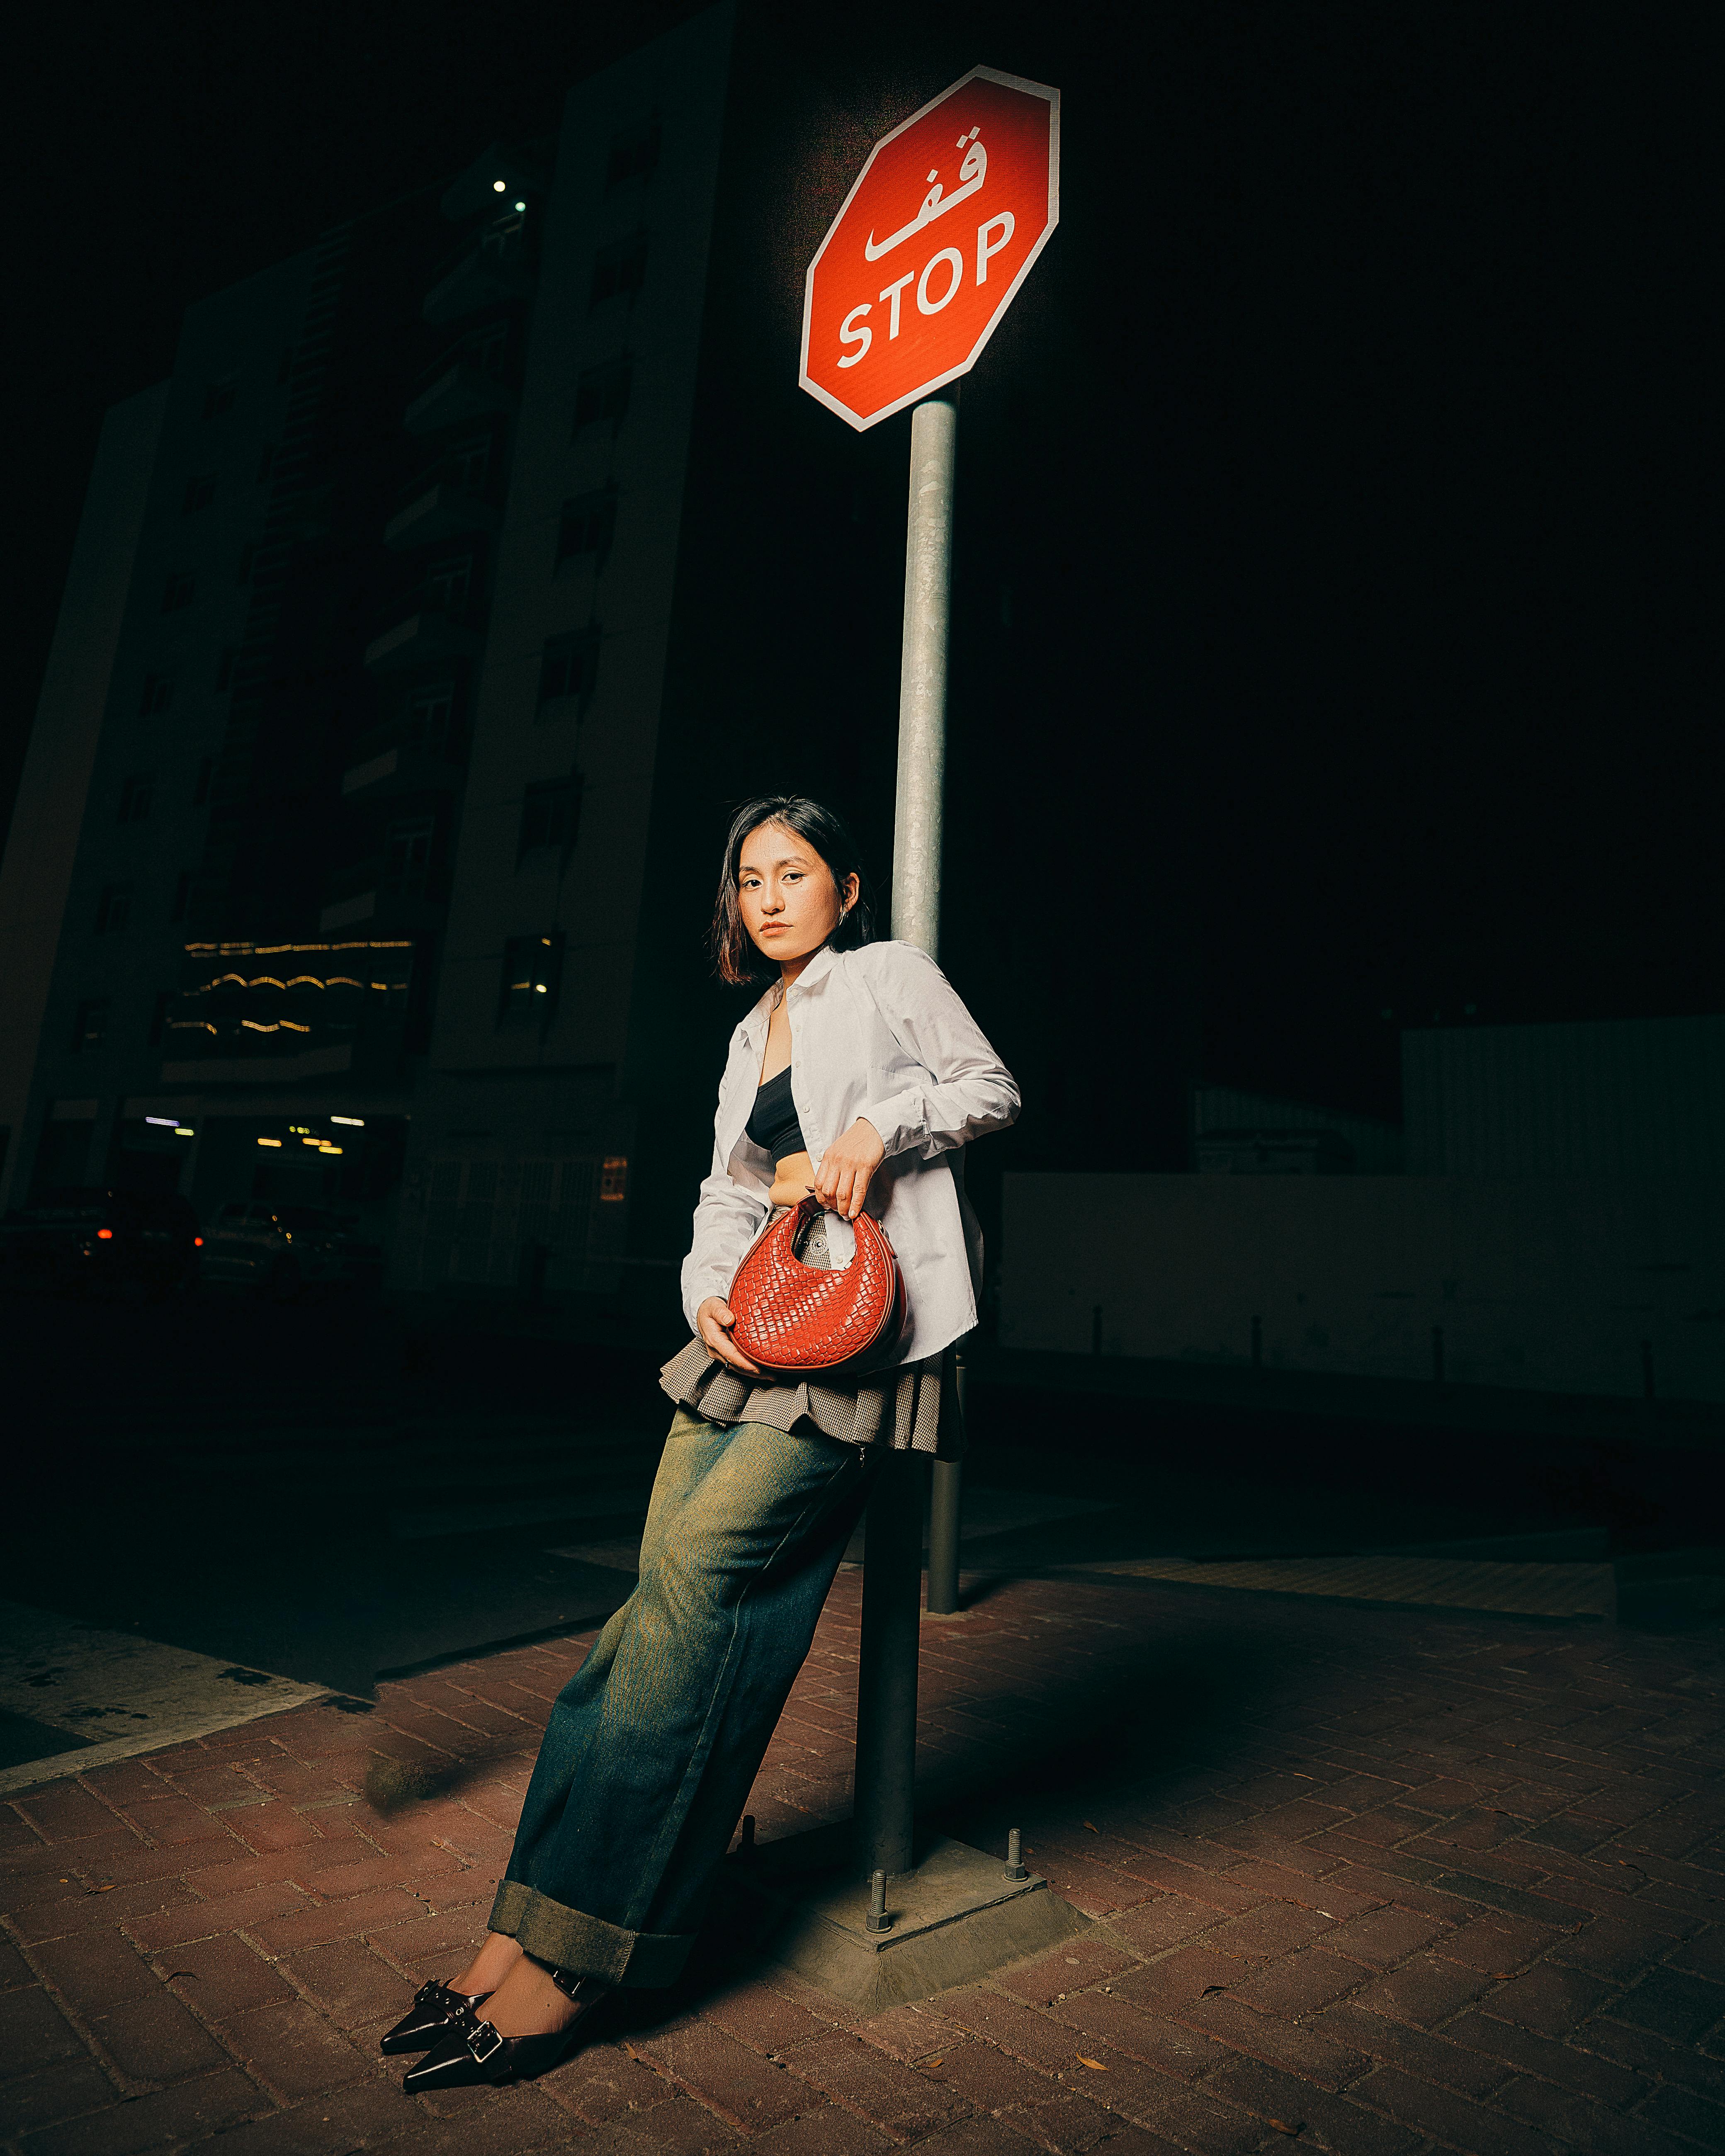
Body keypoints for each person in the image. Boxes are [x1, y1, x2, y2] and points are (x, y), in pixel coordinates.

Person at [384, 794, 1018, 2088]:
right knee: (641, 1621)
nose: (769, 896)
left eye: (795, 874)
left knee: (695, 1598)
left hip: (865, 1333)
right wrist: (707, 1298)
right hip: (754, 1338)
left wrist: (871, 1131)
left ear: (845, 890)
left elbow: (992, 1087)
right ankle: (522, 1928)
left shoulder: (887, 978)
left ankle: (585, 1958)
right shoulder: (748, 1031)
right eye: (748, 878)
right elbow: (724, 1190)